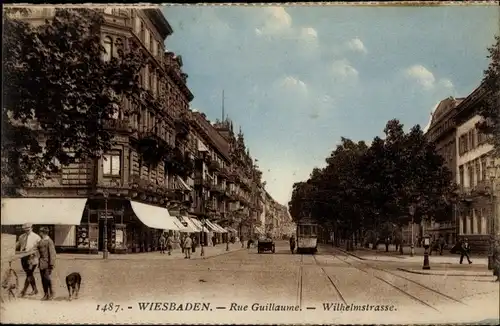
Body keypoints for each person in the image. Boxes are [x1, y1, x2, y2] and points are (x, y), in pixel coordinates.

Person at [15, 223, 41, 297]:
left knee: (29, 273)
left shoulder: (37, 237)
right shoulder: (21, 237)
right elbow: (18, 245)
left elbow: (40, 247)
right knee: (28, 274)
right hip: (23, 257)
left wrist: (35, 253)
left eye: (28, 229)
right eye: (25, 230)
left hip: (33, 258)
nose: (26, 231)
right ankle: (35, 289)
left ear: (32, 228)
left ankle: (24, 291)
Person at [36, 227, 57, 300]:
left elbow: (52, 253)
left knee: (47, 279)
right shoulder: (41, 241)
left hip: (47, 263)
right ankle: (46, 294)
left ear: (42, 233)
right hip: (41, 263)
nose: (39, 233)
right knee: (43, 279)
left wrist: (51, 264)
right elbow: (36, 248)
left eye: (40, 232)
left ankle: (51, 293)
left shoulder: (49, 241)